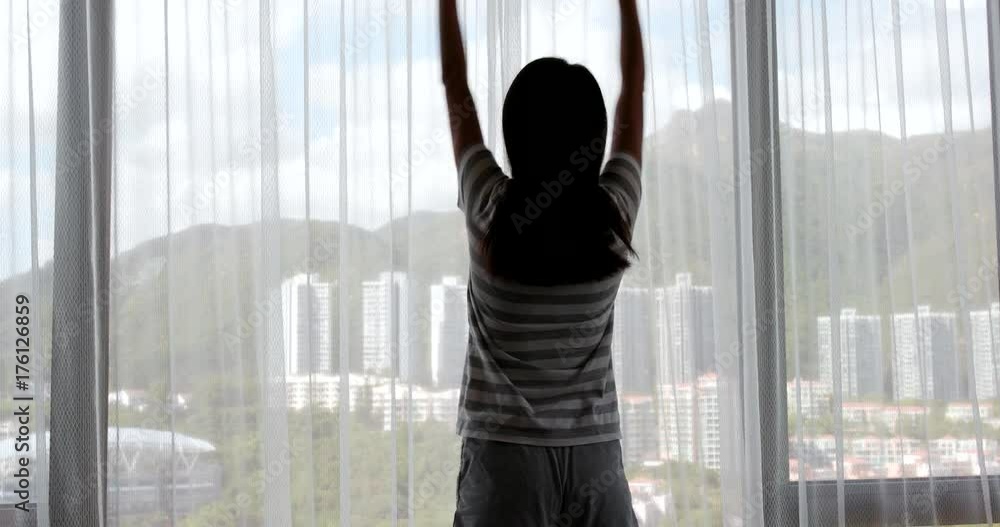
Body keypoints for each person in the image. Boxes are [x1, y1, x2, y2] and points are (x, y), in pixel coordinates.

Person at [439, 0, 645, 525]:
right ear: (592, 143)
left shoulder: (489, 207)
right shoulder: (613, 216)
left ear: (515, 136)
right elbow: (633, 96)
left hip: (506, 460)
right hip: (594, 459)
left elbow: (456, 89)